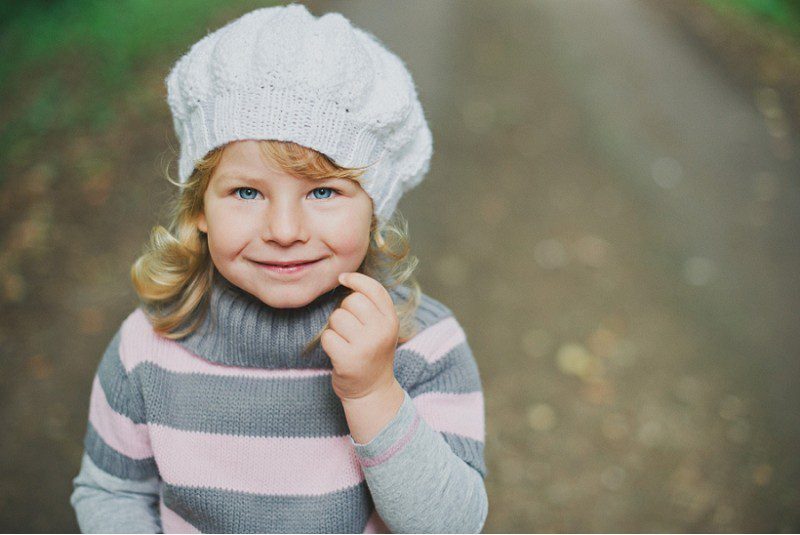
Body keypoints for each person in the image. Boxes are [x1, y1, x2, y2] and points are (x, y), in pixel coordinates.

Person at [69, 3, 488, 533]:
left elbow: (452, 526)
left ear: (375, 210)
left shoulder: (424, 347)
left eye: (322, 191)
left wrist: (373, 392)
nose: (284, 230)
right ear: (199, 208)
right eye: (246, 191)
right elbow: (112, 492)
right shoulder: (147, 348)